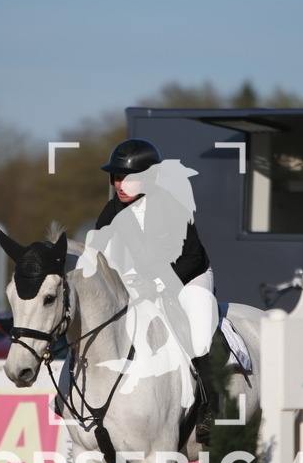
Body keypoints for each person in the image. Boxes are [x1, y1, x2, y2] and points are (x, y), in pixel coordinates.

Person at [91, 138, 220, 439]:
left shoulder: (172, 205)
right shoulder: (112, 210)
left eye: (128, 178)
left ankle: (211, 411)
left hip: (189, 278)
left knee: (199, 338)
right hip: (146, 282)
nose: (119, 184)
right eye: (116, 177)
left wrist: (159, 284)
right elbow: (95, 255)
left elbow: (192, 257)